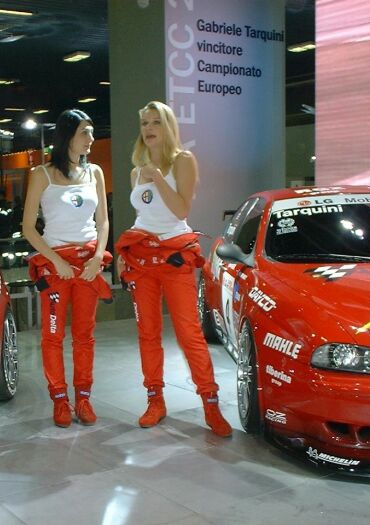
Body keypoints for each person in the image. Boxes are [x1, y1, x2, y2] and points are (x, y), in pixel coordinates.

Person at [116, 100, 232, 437]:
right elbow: (144, 215)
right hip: (143, 261)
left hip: (176, 258)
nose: (149, 129)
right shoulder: (136, 170)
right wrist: (129, 249)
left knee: (189, 333)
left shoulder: (183, 160)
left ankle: (210, 403)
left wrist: (157, 178)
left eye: (156, 122)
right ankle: (155, 400)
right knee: (147, 334)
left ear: (168, 127)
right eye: (144, 123)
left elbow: (181, 207)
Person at [23, 109, 112, 428]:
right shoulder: (41, 174)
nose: (91, 139)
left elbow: (103, 221)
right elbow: (28, 228)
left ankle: (84, 399)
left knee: (85, 336)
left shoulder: (96, 173)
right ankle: (60, 401)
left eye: (91, 132)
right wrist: (57, 261)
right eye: (85, 133)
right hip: (56, 266)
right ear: (67, 137)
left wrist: (98, 257)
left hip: (88, 264)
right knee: (52, 335)